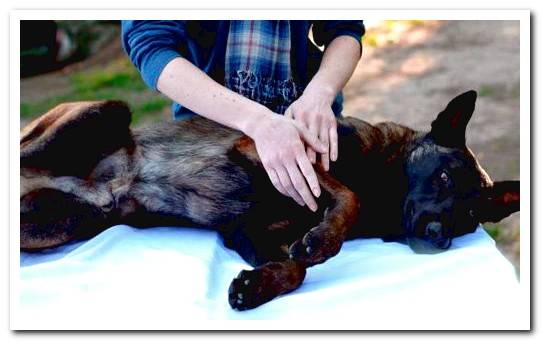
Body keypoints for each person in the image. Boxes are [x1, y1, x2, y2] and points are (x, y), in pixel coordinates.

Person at [121, 20, 364, 212]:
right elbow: (152, 45)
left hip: (306, 132)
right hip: (210, 144)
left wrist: (319, 93)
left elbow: (344, 29)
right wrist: (259, 122)